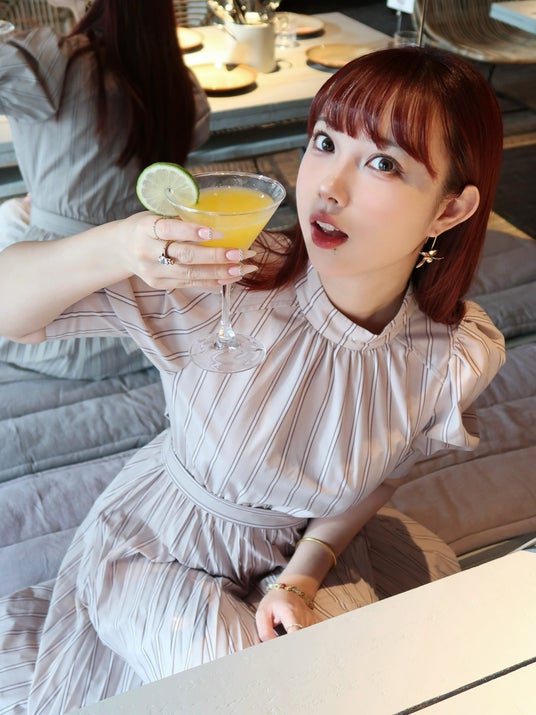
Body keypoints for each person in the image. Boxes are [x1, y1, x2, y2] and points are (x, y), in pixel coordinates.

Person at [0, 47, 505, 713]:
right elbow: (12, 307)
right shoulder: (225, 273)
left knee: (357, 682)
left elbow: (381, 476)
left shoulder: (451, 356)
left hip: (301, 557)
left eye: (383, 163)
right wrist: (120, 244)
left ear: (449, 210)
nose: (328, 187)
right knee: (246, 691)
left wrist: (302, 577)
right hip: (160, 549)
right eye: (325, 142)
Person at [0, 0, 209, 379]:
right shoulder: (175, 77)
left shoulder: (51, 64)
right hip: (148, 313)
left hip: (64, 324)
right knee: (13, 211)